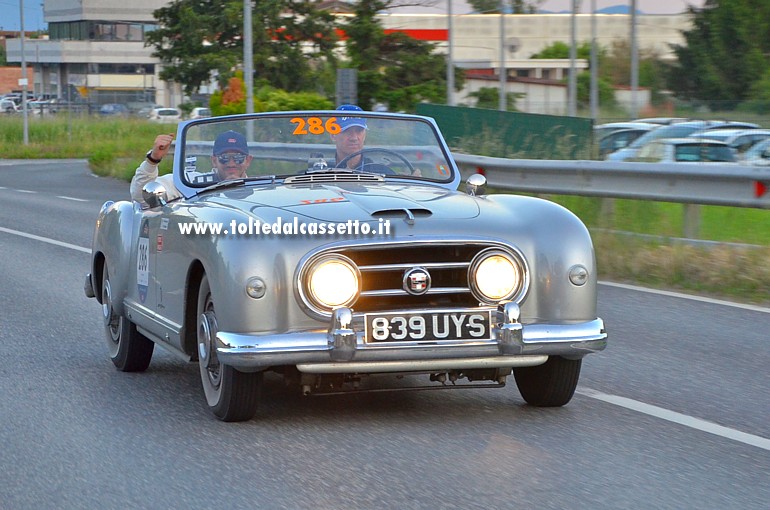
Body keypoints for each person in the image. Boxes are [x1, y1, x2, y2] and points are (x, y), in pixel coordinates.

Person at [130, 130, 253, 205]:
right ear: (214, 160)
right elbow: (142, 196)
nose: (231, 164)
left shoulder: (261, 188)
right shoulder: (190, 182)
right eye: (224, 158)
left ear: (247, 161)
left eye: (238, 158)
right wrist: (153, 159)